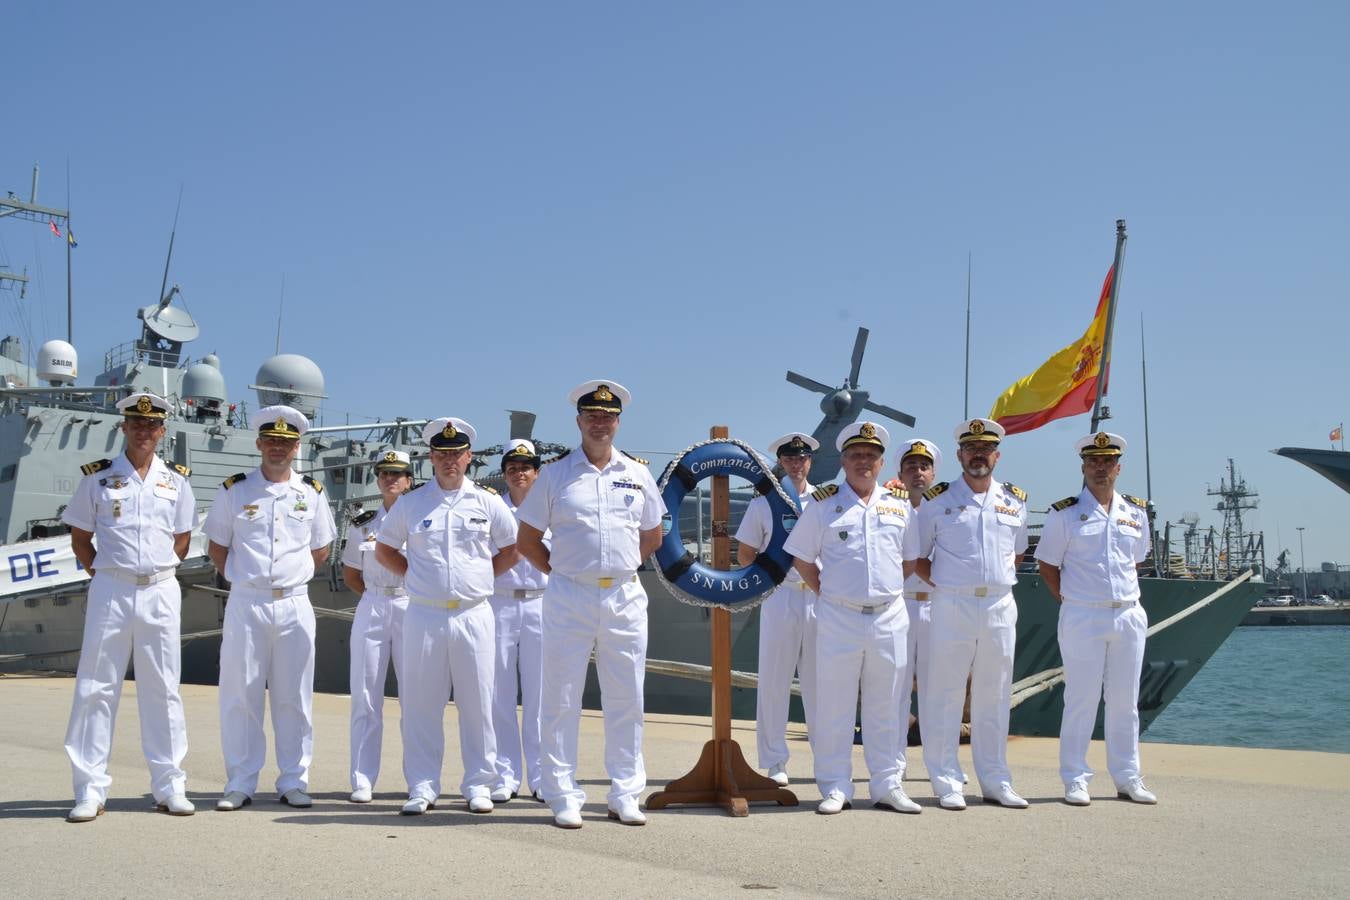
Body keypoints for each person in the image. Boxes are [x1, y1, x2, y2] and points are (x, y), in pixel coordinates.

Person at [515, 380, 666, 829]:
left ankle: (625, 792)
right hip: (568, 595)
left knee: (627, 697)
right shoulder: (557, 476)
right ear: (579, 422)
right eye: (592, 416)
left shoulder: (638, 474)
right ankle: (563, 792)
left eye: (608, 416)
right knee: (560, 697)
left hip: (623, 595)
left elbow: (652, 535)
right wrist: (566, 574)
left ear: (618, 422)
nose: (600, 423)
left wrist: (616, 571)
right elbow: (527, 541)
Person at [61, 392, 198, 822]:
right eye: (135, 424)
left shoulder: (176, 481)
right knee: (96, 688)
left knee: (163, 688)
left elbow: (182, 538)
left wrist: (151, 572)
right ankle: (89, 789)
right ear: (123, 428)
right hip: (112, 590)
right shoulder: (97, 479)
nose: (144, 431)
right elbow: (81, 539)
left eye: (152, 425)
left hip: (160, 588)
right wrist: (107, 573)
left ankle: (170, 785)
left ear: (162, 432)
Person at [375, 418, 517, 816]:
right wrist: (416, 577)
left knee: (479, 704)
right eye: (442, 453)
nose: (449, 460)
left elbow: (512, 547)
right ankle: (421, 785)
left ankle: (479, 784)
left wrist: (484, 576)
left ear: (468, 457)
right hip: (424, 615)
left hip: (474, 614)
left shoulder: (487, 501)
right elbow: (385, 550)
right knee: (421, 703)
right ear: (431, 457)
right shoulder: (412, 503)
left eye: (456, 453)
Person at [783, 421, 920, 815]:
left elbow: (909, 560)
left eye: (871, 456)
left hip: (888, 617)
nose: (864, 462)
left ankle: (887, 785)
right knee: (834, 705)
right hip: (838, 617)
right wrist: (831, 593)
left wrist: (882, 593)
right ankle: (835, 785)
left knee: (888, 705)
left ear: (880, 463)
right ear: (843, 460)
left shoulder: (899, 507)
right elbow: (803, 559)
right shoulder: (824, 506)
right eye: (856, 455)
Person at [206, 404, 336, 811]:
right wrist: (251, 581)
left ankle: (294, 780)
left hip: (294, 603)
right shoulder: (235, 490)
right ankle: (240, 782)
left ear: (296, 447)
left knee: (294, 696)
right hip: (247, 602)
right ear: (259, 443)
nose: (277, 448)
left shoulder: (311, 494)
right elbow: (217, 547)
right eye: (271, 441)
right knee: (240, 693)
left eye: (286, 442)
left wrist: (287, 580)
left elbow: (321, 549)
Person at [903, 417, 1029, 811]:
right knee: (945, 693)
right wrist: (948, 584)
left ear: (997, 455)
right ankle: (945, 780)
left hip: (998, 605)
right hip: (952, 603)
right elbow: (919, 558)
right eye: (971, 449)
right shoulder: (937, 501)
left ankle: (995, 779)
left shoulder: (1014, 501)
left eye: (986, 449)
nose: (979, 455)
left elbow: (1018, 552)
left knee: (995, 693)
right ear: (959, 455)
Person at [1035, 431, 1157, 806]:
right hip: (1082, 616)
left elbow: (1135, 560)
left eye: (1107, 462)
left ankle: (1128, 777)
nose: (1100, 468)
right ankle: (1075, 778)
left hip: (1127, 615)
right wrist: (1073, 600)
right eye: (1093, 461)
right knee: (1081, 699)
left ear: (1118, 467)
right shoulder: (1065, 513)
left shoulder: (1135, 512)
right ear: (1083, 467)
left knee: (1125, 701)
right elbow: (1048, 565)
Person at [734, 432, 819, 787]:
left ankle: (825, 759)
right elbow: (745, 553)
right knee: (774, 681)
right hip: (781, 595)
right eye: (789, 458)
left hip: (817, 597)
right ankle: (774, 761)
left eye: (801, 458)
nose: (796, 464)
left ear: (809, 462)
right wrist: (767, 580)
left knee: (821, 683)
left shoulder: (825, 501)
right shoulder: (763, 504)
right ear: (781, 462)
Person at [342, 449, 414, 803]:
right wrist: (375, 596)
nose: (390, 479)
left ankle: (418, 779)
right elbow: (351, 572)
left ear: (409, 480)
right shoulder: (363, 524)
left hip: (409, 604)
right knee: (366, 695)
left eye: (397, 473)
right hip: (373, 604)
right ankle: (362, 779)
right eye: (385, 473)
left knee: (414, 697)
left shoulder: (419, 518)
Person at [488, 439, 549, 804]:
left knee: (542, 695)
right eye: (512, 466)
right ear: (504, 472)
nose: (519, 472)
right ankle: (505, 776)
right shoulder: (493, 509)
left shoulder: (549, 508)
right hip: (500, 603)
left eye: (526, 466)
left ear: (536, 472)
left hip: (541, 604)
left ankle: (541, 777)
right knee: (500, 694)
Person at [889, 438, 942, 756]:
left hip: (938, 607)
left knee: (938, 689)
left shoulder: (946, 508)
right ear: (900, 472)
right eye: (911, 467)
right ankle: (893, 760)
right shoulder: (889, 507)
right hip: (900, 605)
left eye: (924, 467)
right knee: (895, 687)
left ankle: (941, 763)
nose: (918, 472)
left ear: (933, 473)